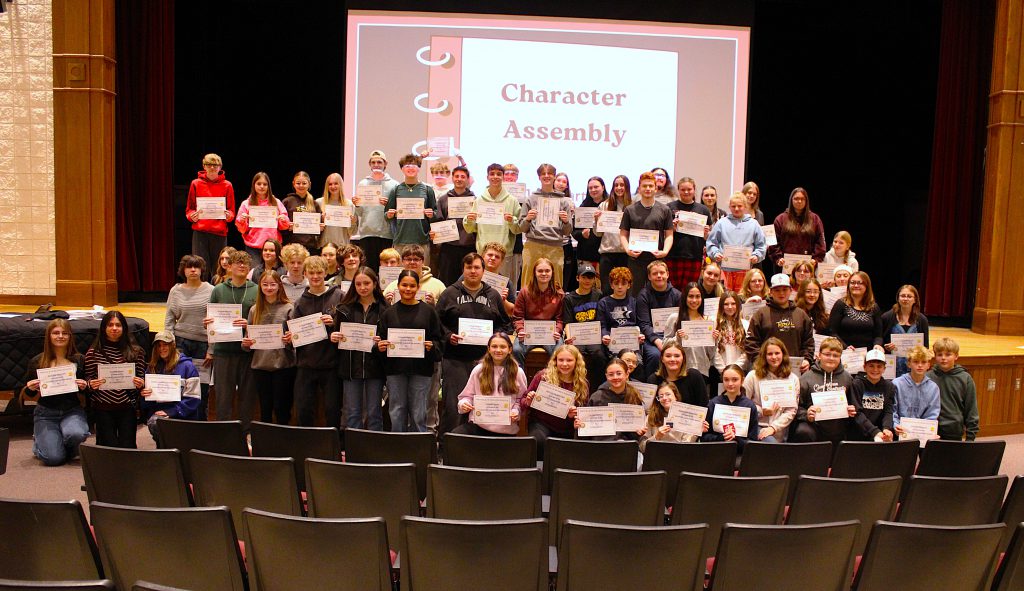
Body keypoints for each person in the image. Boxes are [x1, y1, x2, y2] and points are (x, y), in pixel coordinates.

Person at [437, 253, 512, 436]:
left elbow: (505, 324)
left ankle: (480, 445)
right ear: (463, 270)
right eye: (469, 267)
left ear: (483, 270)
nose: (473, 271)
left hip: (486, 361)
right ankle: (449, 445)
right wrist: (448, 336)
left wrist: (495, 338)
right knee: (454, 405)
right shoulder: (449, 293)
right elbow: (436, 322)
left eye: (477, 267)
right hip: (455, 358)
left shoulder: (493, 295)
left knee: (484, 405)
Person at [376, 270, 444, 432]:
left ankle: (418, 444)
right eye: (404, 285)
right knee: (397, 410)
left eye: (412, 286)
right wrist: (380, 347)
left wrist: (432, 346)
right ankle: (399, 443)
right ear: (398, 286)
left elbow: (439, 340)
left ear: (418, 287)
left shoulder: (429, 312)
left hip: (421, 370)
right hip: (395, 370)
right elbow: (380, 340)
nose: (408, 289)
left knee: (418, 412)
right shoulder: (388, 313)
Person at [20, 319, 89, 465]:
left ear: (70, 336)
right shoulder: (37, 361)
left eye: (65, 333)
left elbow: (87, 393)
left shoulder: (79, 360)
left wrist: (85, 386)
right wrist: (30, 388)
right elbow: (27, 395)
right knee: (53, 459)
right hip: (45, 413)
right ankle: (40, 443)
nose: (60, 336)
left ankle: (56, 444)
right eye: (56, 333)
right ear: (49, 336)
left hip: (72, 411)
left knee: (77, 434)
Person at [287, 255, 342, 428]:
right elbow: (294, 334)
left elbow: (348, 326)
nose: (316, 276)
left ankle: (335, 442)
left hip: (332, 364)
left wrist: (334, 323)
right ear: (305, 274)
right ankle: (306, 442)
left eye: (319, 272)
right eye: (311, 273)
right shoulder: (299, 303)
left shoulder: (340, 297)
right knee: (303, 409)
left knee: (333, 409)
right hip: (306, 364)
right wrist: (290, 337)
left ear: (326, 273)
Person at [205, 250, 258, 428]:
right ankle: (224, 434)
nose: (242, 265)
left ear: (249, 267)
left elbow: (262, 320)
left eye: (245, 263)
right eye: (237, 262)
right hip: (223, 352)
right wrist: (208, 323)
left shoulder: (257, 290)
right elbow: (210, 318)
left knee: (247, 398)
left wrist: (249, 324)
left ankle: (245, 433)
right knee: (223, 398)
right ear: (229, 266)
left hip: (248, 353)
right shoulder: (218, 290)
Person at [332, 266, 387, 431]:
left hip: (375, 368)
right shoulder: (344, 309)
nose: (363, 287)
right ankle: (354, 446)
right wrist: (334, 337)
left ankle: (374, 446)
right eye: (358, 284)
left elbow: (388, 338)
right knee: (353, 413)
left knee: (374, 413)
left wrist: (382, 342)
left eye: (367, 283)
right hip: (350, 367)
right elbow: (336, 334)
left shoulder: (385, 309)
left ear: (375, 283)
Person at [85, 311, 146, 448]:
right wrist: (90, 384)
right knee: (107, 447)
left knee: (127, 447)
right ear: (104, 328)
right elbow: (87, 379)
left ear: (124, 328)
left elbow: (142, 378)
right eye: (110, 325)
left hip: (127, 407)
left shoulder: (136, 352)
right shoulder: (93, 353)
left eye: (118, 325)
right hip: (103, 408)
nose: (114, 328)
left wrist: (141, 383)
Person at [241, 270, 294, 425]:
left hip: (283, 366)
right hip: (260, 366)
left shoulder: (289, 308)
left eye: (272, 284)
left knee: (281, 407)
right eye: (265, 284)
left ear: (279, 286)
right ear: (260, 287)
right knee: (265, 408)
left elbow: (295, 339)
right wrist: (246, 343)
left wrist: (290, 340)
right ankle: (266, 439)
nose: (269, 288)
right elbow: (247, 342)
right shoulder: (254, 309)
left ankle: (282, 437)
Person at [522, 344, 590, 455]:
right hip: (541, 423)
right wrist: (528, 401)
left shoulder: (582, 384)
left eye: (569, 360)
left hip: (567, 428)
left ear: (576, 362)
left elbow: (582, 414)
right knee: (538, 441)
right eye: (561, 360)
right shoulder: (543, 376)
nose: (564, 364)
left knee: (567, 451)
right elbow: (523, 401)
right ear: (555, 361)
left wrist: (573, 415)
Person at [455, 333, 525, 436]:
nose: (498, 350)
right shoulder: (478, 370)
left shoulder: (518, 372)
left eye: (503, 347)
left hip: (505, 429)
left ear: (510, 349)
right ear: (488, 349)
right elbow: (467, 396)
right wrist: (464, 403)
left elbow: (521, 400)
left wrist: (516, 411)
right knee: (454, 436)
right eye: (494, 346)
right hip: (479, 425)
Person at [519, 163, 574, 290]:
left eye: (549, 173)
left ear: (554, 176)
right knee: (528, 282)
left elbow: (567, 232)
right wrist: (528, 219)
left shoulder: (563, 201)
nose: (546, 176)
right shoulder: (530, 199)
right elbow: (522, 228)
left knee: (556, 283)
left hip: (555, 246)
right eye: (543, 174)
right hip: (533, 245)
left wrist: (566, 221)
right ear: (539, 177)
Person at [790, 337, 855, 444]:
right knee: (803, 431)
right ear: (819, 355)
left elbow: (853, 404)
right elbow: (796, 407)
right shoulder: (806, 378)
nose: (831, 358)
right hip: (814, 425)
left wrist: (851, 410)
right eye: (827, 354)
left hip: (838, 425)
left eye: (836, 355)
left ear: (840, 357)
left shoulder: (847, 378)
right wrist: (806, 414)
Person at [744, 273, 814, 372]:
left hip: (794, 370)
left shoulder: (801, 315)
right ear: (771, 292)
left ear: (791, 290)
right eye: (777, 290)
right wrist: (761, 362)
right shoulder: (760, 314)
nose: (781, 293)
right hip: (767, 370)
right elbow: (751, 342)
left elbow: (808, 342)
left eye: (785, 289)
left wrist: (807, 359)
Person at [618, 171, 674, 296]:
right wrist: (628, 250)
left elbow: (669, 235)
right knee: (634, 294)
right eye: (644, 186)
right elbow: (623, 234)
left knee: (658, 294)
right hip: (635, 259)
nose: (647, 189)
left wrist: (665, 251)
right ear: (639, 189)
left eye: (650, 186)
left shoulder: (665, 210)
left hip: (657, 260)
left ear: (655, 188)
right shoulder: (629, 210)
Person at [140, 332, 202, 443]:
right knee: (155, 423)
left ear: (173, 345)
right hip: (159, 413)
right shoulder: (152, 367)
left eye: (165, 345)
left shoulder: (188, 367)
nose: (161, 348)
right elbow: (147, 403)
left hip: (183, 414)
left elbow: (194, 398)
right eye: (159, 346)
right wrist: (144, 395)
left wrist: (172, 412)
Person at [463, 163, 522, 279]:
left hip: (504, 254)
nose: (495, 177)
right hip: (483, 252)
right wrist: (469, 220)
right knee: (481, 284)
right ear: (487, 177)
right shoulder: (479, 200)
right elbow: (470, 229)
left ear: (503, 177)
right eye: (492, 174)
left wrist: (512, 221)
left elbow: (518, 229)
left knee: (502, 285)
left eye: (499, 174)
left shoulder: (512, 201)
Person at [185, 153, 236, 274]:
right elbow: (189, 209)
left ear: (220, 167)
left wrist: (229, 216)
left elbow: (231, 211)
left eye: (215, 165)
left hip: (219, 232)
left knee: (219, 269)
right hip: (200, 232)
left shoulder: (227, 185)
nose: (212, 167)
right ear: (204, 166)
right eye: (209, 164)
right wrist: (192, 216)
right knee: (200, 267)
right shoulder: (195, 183)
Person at [385, 153, 438, 267]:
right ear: (402, 169)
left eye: (414, 165)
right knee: (401, 274)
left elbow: (436, 214)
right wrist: (389, 215)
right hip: (401, 240)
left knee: (422, 273)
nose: (410, 168)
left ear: (419, 168)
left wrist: (431, 215)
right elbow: (386, 215)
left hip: (421, 240)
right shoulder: (396, 190)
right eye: (407, 165)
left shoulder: (427, 190)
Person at [706, 192, 766, 292]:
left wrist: (756, 255)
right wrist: (715, 253)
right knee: (724, 297)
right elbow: (711, 243)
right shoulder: (721, 223)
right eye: (733, 206)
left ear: (745, 206)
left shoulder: (754, 224)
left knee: (742, 298)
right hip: (724, 270)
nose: (736, 209)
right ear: (729, 207)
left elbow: (761, 245)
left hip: (745, 270)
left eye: (740, 206)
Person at [742, 338, 799, 442]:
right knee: (771, 445)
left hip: (781, 429)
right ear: (764, 356)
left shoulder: (793, 379)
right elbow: (743, 403)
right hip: (757, 426)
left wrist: (773, 427)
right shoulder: (752, 376)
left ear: (783, 354)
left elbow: (791, 410)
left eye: (777, 353)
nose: (774, 357)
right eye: (770, 354)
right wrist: (761, 411)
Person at [577, 357, 646, 441]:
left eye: (619, 373)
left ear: (627, 374)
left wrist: (639, 432)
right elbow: (587, 433)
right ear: (606, 376)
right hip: (601, 445)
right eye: (611, 374)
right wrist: (580, 426)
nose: (615, 377)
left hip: (626, 445)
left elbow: (634, 433)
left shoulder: (634, 396)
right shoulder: (597, 397)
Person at [512, 258, 565, 366]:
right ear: (534, 273)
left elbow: (560, 318)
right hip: (528, 333)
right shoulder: (524, 292)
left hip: (550, 334)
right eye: (540, 271)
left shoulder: (559, 293)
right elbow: (518, 317)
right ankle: (520, 376)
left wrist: (557, 331)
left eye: (547, 271)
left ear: (552, 273)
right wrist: (521, 330)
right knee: (516, 350)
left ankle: (552, 376)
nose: (544, 274)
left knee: (559, 350)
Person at [562, 262, 607, 385]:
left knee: (599, 355)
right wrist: (569, 337)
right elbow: (567, 322)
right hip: (577, 337)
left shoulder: (599, 295)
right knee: (577, 355)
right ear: (578, 278)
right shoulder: (569, 298)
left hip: (594, 337)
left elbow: (601, 319)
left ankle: (597, 388)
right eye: (584, 277)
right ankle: (576, 387)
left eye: (591, 277)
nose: (587, 280)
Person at [352, 150, 398, 270]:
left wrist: (388, 205)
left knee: (386, 269)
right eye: (373, 162)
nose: (376, 165)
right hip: (367, 233)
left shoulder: (394, 185)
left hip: (386, 234)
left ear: (385, 164)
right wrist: (357, 205)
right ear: (370, 164)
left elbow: (397, 211)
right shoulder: (363, 183)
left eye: (379, 162)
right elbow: (360, 213)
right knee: (369, 270)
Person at [928, 337, 979, 441]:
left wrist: (970, 437)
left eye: (948, 354)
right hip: (930, 431)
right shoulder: (928, 377)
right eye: (939, 354)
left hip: (954, 431)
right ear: (935, 356)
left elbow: (971, 409)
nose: (943, 358)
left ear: (956, 356)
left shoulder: (965, 378)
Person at [636, 260, 681, 378]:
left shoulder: (677, 295)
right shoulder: (643, 295)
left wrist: (673, 339)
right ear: (649, 277)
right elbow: (644, 324)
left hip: (674, 337)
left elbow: (682, 321)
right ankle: (652, 385)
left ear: (668, 274)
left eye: (662, 272)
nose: (659, 276)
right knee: (655, 355)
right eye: (655, 273)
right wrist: (657, 341)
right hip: (652, 339)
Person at [434, 165, 477, 286]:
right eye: (456, 176)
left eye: (462, 177)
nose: (459, 179)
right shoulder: (443, 199)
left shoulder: (474, 200)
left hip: (468, 247)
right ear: (452, 178)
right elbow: (439, 221)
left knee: (467, 281)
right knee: (447, 281)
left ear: (467, 179)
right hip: (449, 247)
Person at [666, 283, 717, 384]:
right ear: (685, 297)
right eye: (690, 296)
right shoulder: (674, 318)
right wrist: (677, 338)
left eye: (698, 296)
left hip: (702, 371)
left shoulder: (708, 321)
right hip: (678, 370)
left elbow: (710, 355)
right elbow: (665, 345)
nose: (694, 300)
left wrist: (714, 340)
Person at [666, 176, 711, 288]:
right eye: (683, 189)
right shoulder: (669, 207)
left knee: (689, 290)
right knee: (672, 289)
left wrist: (706, 234)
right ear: (678, 190)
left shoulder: (703, 209)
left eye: (689, 189)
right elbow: (664, 233)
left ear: (694, 190)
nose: (686, 192)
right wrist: (672, 228)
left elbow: (707, 237)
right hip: (673, 255)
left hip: (694, 256)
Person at [702, 364, 760, 450]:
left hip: (740, 454)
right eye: (726, 380)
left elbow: (753, 442)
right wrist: (721, 438)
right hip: (716, 452)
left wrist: (736, 439)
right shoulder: (713, 403)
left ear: (742, 380)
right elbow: (704, 438)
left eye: (735, 379)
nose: (730, 383)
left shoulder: (749, 406)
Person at [235, 172, 290, 262]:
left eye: (265, 184)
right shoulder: (246, 203)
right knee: (255, 271)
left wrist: (283, 219)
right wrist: (242, 220)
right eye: (259, 184)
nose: (262, 186)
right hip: (253, 247)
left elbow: (284, 226)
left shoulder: (276, 202)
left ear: (268, 186)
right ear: (254, 185)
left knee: (273, 271)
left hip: (273, 246)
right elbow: (242, 230)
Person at [768, 187, 827, 270]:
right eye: (796, 198)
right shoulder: (780, 219)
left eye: (802, 199)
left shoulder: (815, 219)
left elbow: (820, 242)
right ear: (791, 200)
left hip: (807, 268)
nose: (799, 201)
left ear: (806, 201)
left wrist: (816, 259)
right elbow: (773, 243)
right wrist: (778, 258)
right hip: (784, 267)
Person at [640, 382, 709, 451]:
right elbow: (642, 447)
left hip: (678, 455)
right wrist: (656, 437)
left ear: (676, 396)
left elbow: (686, 445)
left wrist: (696, 431)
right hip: (657, 454)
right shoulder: (651, 416)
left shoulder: (685, 416)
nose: (664, 398)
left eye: (668, 394)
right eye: (661, 396)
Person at [893, 345, 941, 440]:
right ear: (908, 364)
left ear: (928, 365)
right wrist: (896, 425)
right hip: (900, 433)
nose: (920, 365)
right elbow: (892, 410)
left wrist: (928, 431)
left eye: (923, 362)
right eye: (915, 361)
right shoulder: (896, 384)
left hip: (923, 435)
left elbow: (932, 414)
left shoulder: (933, 388)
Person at [882, 285, 930, 377]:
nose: (905, 299)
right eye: (903, 296)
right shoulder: (887, 317)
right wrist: (886, 346)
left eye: (909, 296)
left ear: (915, 299)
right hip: (891, 366)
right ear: (898, 298)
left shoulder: (922, 320)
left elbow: (925, 346)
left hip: (913, 367)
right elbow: (880, 340)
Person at [594, 174, 631, 294]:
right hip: (607, 254)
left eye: (622, 185)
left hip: (626, 254)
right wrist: (597, 221)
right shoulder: (604, 205)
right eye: (616, 185)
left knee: (625, 289)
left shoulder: (633, 206)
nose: (619, 188)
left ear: (627, 187)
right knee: (607, 289)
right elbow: (598, 234)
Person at [829, 271, 884, 351]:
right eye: (852, 282)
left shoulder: (874, 307)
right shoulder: (840, 304)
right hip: (844, 352)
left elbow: (878, 335)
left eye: (860, 283)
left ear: (867, 286)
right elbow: (832, 332)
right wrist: (845, 347)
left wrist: (877, 345)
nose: (856, 285)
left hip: (868, 354)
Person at [597, 267, 644, 359]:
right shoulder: (603, 303)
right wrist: (605, 335)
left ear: (629, 285)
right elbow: (602, 325)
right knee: (617, 363)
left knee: (637, 362)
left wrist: (641, 334)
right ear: (611, 285)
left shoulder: (634, 302)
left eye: (623, 283)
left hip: (632, 343)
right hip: (613, 343)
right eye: (616, 283)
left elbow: (640, 323)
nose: (620, 287)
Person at [849, 349, 896, 442]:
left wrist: (886, 428)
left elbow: (888, 411)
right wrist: (874, 431)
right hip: (858, 435)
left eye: (879, 366)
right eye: (871, 366)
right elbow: (857, 413)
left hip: (880, 435)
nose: (875, 370)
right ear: (864, 367)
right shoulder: (856, 384)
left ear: (884, 368)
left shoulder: (889, 386)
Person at [646, 342, 707, 408]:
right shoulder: (653, 380)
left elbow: (703, 405)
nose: (672, 359)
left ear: (683, 359)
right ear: (662, 359)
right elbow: (651, 408)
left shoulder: (694, 376)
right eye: (668, 356)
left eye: (677, 356)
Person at [572, 177, 606, 278]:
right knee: (586, 284)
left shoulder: (610, 206)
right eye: (590, 188)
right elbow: (574, 232)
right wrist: (582, 234)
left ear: (603, 187)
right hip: (585, 255)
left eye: (596, 187)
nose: (593, 190)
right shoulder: (583, 206)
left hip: (604, 255)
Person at [281, 171, 323, 254]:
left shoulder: (314, 204)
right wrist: (287, 227)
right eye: (298, 183)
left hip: (310, 247)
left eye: (304, 183)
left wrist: (320, 228)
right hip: (291, 247)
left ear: (309, 184)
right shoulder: (287, 201)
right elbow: (280, 225)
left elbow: (319, 228)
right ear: (293, 184)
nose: (301, 186)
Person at [317, 172, 356, 248]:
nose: (333, 186)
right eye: (330, 184)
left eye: (336, 183)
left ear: (341, 185)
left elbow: (353, 232)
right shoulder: (319, 203)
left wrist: (352, 223)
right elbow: (313, 230)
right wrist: (321, 220)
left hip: (342, 247)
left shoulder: (349, 204)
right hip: (324, 247)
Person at [554, 172, 578, 291]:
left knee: (564, 281)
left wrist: (572, 214)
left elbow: (571, 227)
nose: (561, 184)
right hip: (551, 243)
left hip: (565, 244)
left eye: (564, 182)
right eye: (559, 180)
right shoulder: (546, 200)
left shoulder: (570, 202)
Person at [713, 291, 747, 371]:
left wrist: (735, 369)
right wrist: (723, 370)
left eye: (733, 303)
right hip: (719, 371)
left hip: (740, 371)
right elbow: (714, 351)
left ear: (737, 305)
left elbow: (746, 351)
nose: (730, 307)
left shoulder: (745, 324)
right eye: (726, 304)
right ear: (721, 306)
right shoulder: (715, 324)